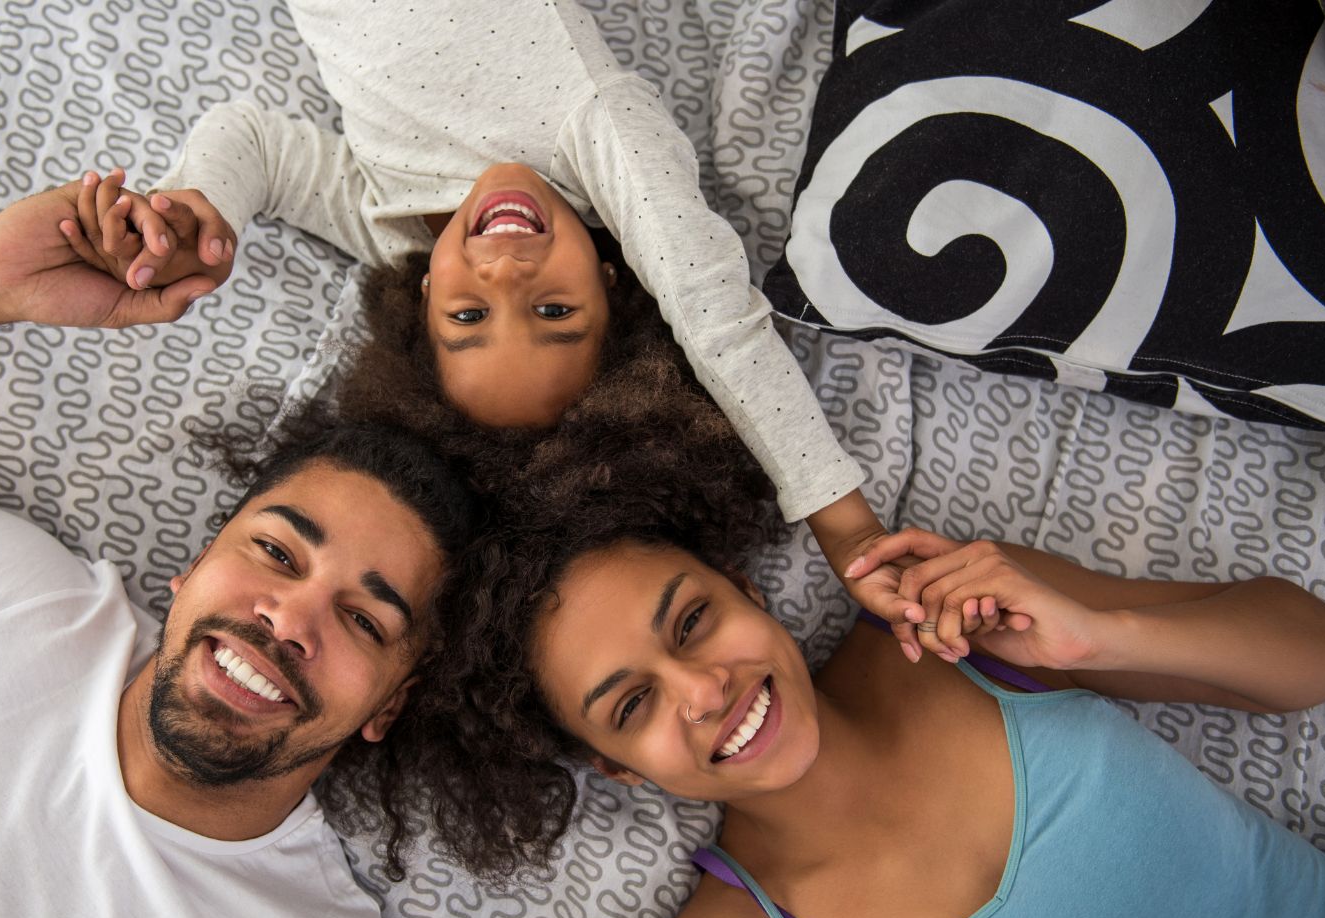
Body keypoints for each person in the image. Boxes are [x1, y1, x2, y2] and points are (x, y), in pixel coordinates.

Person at [0, 181, 478, 918]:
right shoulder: (9, 605)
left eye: (362, 619)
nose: (288, 616)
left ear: (389, 703)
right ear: (193, 564)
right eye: (276, 551)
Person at [62, 0, 938, 645]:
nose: (507, 269)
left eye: (470, 314)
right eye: (554, 311)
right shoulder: (599, 137)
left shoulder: (397, 227)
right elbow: (720, 325)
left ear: (422, 303)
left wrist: (197, 211)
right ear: (615, 280)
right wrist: (847, 529)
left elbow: (252, 141)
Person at [422, 379, 1325, 918]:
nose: (705, 690)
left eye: (692, 625)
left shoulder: (949, 633)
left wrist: (1104, 636)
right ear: (615, 767)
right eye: (631, 705)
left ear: (749, 593)